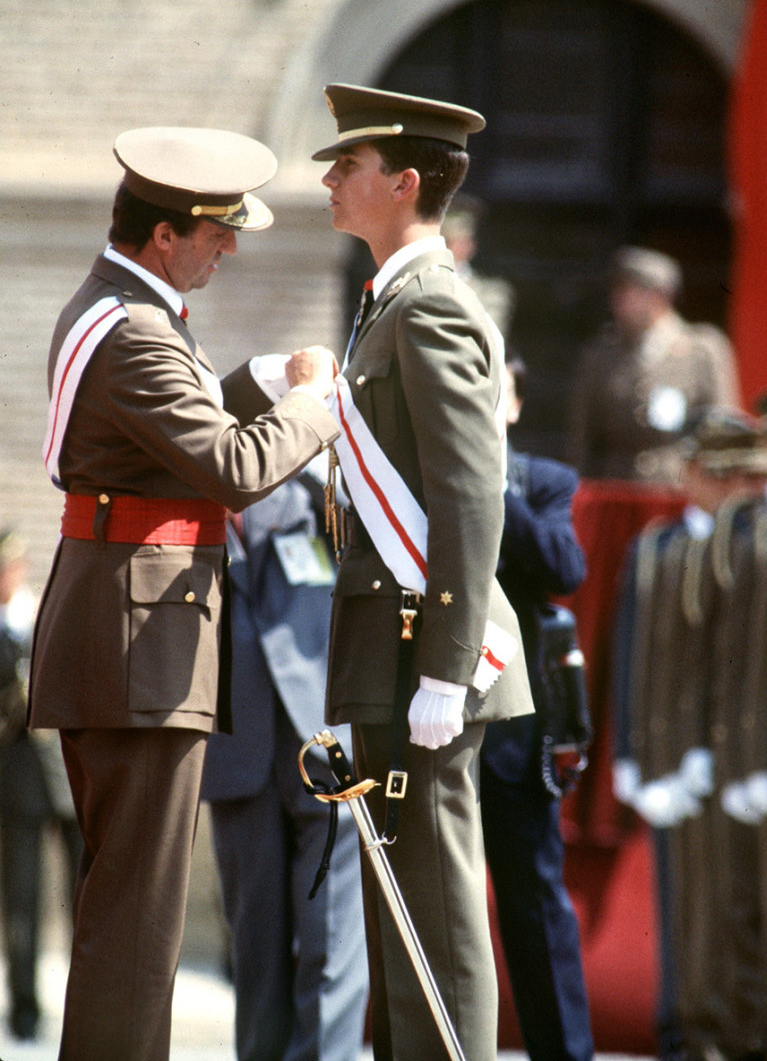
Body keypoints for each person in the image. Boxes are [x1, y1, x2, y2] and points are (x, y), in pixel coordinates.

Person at [27, 125, 340, 1061]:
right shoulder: (136, 332)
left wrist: (261, 377)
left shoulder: (127, 312)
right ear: (164, 236)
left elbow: (183, 416)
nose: (229, 246)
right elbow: (235, 465)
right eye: (216, 231)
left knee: (128, 911)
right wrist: (312, 408)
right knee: (138, 923)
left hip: (124, 632)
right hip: (142, 649)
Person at [314, 84, 532, 1061]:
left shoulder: (430, 304)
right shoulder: (387, 301)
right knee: (397, 910)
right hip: (389, 644)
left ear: (402, 183)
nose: (328, 177)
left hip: (422, 652)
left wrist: (445, 666)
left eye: (346, 165)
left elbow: (469, 492)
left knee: (434, 927)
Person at [612, 408, 767, 1061]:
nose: (727, 483)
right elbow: (629, 657)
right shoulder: (656, 549)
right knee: (684, 903)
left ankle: (752, 1030)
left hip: (748, 759)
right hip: (675, 756)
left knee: (750, 902)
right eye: (716, 471)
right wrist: (631, 756)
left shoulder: (764, 544)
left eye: (739, 472)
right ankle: (685, 1029)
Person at [201, 467, 369, 1061]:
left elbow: (374, 517)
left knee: (333, 943)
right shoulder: (188, 495)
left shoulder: (310, 490)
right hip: (234, 751)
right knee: (257, 952)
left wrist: (325, 452)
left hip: (322, 742)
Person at [480, 353, 594, 1061]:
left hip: (517, 735)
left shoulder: (543, 482)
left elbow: (566, 567)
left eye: (497, 393)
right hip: (432, 721)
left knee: (534, 907)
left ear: (515, 405)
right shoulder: (421, 479)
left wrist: (490, 490)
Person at [0, 529, 82, 1042]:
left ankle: (87, 1007)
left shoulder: (43, 614)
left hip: (69, 776)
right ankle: (24, 1012)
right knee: (22, 901)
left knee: (85, 898)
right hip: (18, 779)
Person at [566, 246, 741, 484]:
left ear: (659, 296)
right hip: (615, 491)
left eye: (628, 291)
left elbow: (722, 427)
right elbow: (582, 439)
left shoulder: (701, 351)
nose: (617, 301)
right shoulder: (601, 355)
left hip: (678, 491)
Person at [441, 196, 516, 338]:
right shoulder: (419, 282)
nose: (451, 249)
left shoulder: (491, 292)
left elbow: (488, 338)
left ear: (471, 245)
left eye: (457, 242)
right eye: (447, 242)